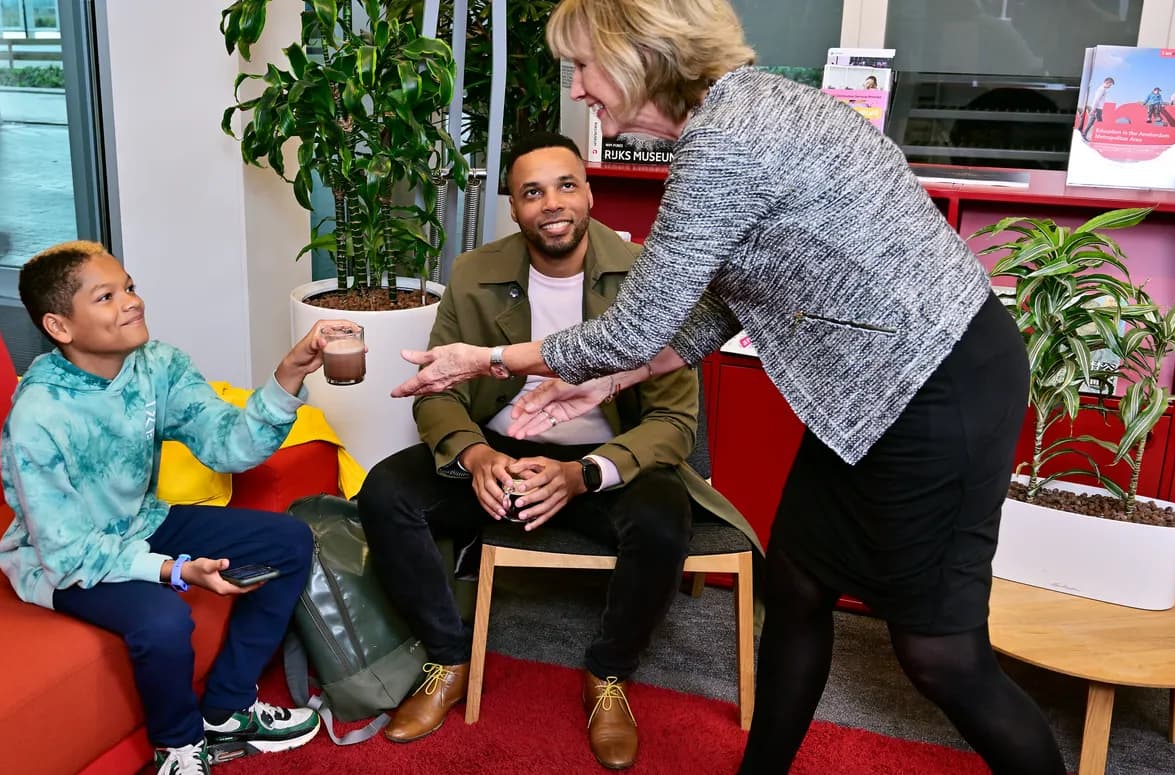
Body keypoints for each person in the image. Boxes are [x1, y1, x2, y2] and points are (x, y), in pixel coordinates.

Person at [389, 0, 1066, 773]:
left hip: (936, 390)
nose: (577, 89)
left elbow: (634, 325)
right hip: (867, 399)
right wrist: (613, 377)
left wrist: (488, 360)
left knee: (941, 656)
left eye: (582, 65)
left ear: (639, 54)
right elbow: (718, 298)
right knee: (801, 584)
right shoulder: (747, 107)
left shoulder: (724, 139)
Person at [359, 133, 759, 770]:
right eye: (532, 192)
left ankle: (608, 674)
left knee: (663, 518)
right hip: (505, 460)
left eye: (566, 185)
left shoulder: (650, 278)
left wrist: (582, 476)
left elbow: (674, 421)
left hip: (609, 464)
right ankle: (447, 657)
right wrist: (475, 457)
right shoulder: (473, 275)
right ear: (514, 210)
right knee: (386, 492)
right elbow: (438, 392)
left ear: (591, 194)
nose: (552, 203)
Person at [0, 240, 353, 775]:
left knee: (288, 540)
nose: (132, 302)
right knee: (163, 619)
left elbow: (227, 445)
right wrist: (175, 571)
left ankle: (227, 707)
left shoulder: (156, 364)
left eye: (130, 287)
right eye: (106, 296)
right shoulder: (37, 416)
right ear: (59, 327)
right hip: (62, 561)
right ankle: (178, 748)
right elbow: (66, 553)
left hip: (142, 524)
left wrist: (287, 377)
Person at [1082, 76, 1115, 140]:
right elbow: (1096, 100)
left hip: (1098, 109)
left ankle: (1086, 135)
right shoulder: (1101, 89)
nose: (1110, 86)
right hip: (1097, 109)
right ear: (1107, 82)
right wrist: (1093, 109)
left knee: (1094, 122)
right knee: (1098, 123)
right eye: (1110, 85)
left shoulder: (1104, 89)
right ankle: (1097, 137)